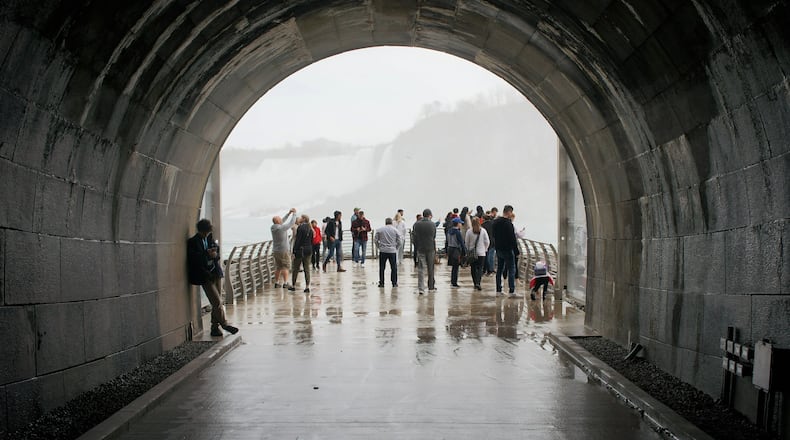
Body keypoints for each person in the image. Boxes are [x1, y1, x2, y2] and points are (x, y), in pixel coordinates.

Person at [187, 219, 238, 337]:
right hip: (205, 276)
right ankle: (225, 324)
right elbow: (194, 259)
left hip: (215, 272)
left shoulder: (210, 239)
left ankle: (215, 328)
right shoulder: (193, 242)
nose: (207, 234)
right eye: (205, 232)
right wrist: (206, 253)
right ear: (201, 230)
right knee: (217, 301)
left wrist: (215, 254)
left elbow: (217, 254)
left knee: (217, 302)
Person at [492, 205, 519, 297]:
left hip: (498, 249)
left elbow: (493, 235)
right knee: (511, 269)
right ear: (509, 212)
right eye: (511, 212)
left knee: (499, 269)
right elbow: (512, 239)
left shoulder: (495, 222)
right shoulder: (508, 224)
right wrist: (516, 251)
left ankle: (498, 290)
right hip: (507, 249)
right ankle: (511, 291)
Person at [412, 209, 437, 294]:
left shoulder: (416, 224)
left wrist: (417, 246)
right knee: (431, 268)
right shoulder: (433, 224)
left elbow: (414, 237)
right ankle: (431, 287)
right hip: (430, 248)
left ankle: (421, 288)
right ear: (429, 215)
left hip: (420, 248)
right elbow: (434, 236)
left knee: (421, 269)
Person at [271, 208, 297, 288]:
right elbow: (291, 223)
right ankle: (285, 283)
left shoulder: (273, 227)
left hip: (276, 250)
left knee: (278, 267)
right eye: (280, 219)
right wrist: (294, 214)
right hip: (283, 250)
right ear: (278, 221)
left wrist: (288, 214)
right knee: (285, 267)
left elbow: (281, 221)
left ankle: (277, 282)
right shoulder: (281, 228)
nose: (281, 220)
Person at [374, 218, 402, 287]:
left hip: (383, 250)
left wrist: (379, 247)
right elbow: (399, 242)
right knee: (393, 267)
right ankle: (394, 283)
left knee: (382, 267)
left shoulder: (380, 230)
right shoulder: (395, 230)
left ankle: (382, 282)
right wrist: (396, 248)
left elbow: (375, 240)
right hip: (392, 251)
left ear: (385, 222)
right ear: (391, 223)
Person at [290, 214, 314, 293]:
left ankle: (293, 285)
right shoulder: (310, 228)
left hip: (301, 250)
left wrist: (294, 251)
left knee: (295, 268)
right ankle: (307, 286)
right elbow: (311, 240)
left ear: (303, 219)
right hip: (309, 249)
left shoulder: (300, 228)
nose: (299, 218)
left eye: (301, 217)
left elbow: (298, 241)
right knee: (306, 268)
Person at [465, 217, 490, 290]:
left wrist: (468, 250)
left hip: (472, 253)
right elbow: (487, 242)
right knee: (480, 268)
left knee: (473, 268)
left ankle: (475, 282)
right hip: (481, 253)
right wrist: (485, 249)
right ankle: (478, 282)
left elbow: (466, 242)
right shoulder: (483, 231)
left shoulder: (469, 231)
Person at [445, 217, 466, 287]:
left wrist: (446, 251)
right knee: (456, 267)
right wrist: (465, 251)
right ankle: (454, 283)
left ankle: (452, 281)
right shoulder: (457, 232)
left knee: (453, 267)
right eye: (460, 223)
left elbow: (446, 242)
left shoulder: (449, 231)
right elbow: (461, 242)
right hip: (456, 250)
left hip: (450, 249)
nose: (461, 224)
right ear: (457, 224)